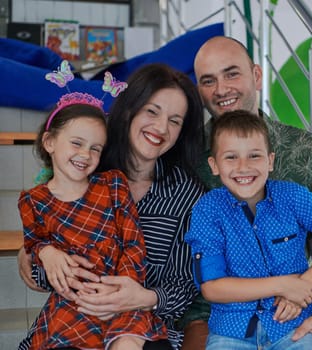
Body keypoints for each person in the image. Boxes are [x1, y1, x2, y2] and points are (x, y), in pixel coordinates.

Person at [18, 63, 208, 350]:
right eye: (152, 111)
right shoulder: (87, 165)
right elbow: (42, 259)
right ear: (130, 109)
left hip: (141, 326)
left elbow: (184, 287)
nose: (160, 127)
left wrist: (142, 297)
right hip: (73, 318)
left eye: (175, 120)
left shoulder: (187, 195)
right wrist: (38, 253)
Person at [193, 36, 312, 349]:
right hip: (211, 316)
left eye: (231, 74)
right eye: (208, 81)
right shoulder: (188, 155)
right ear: (215, 164)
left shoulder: (301, 152)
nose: (221, 89)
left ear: (256, 75)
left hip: (290, 312)